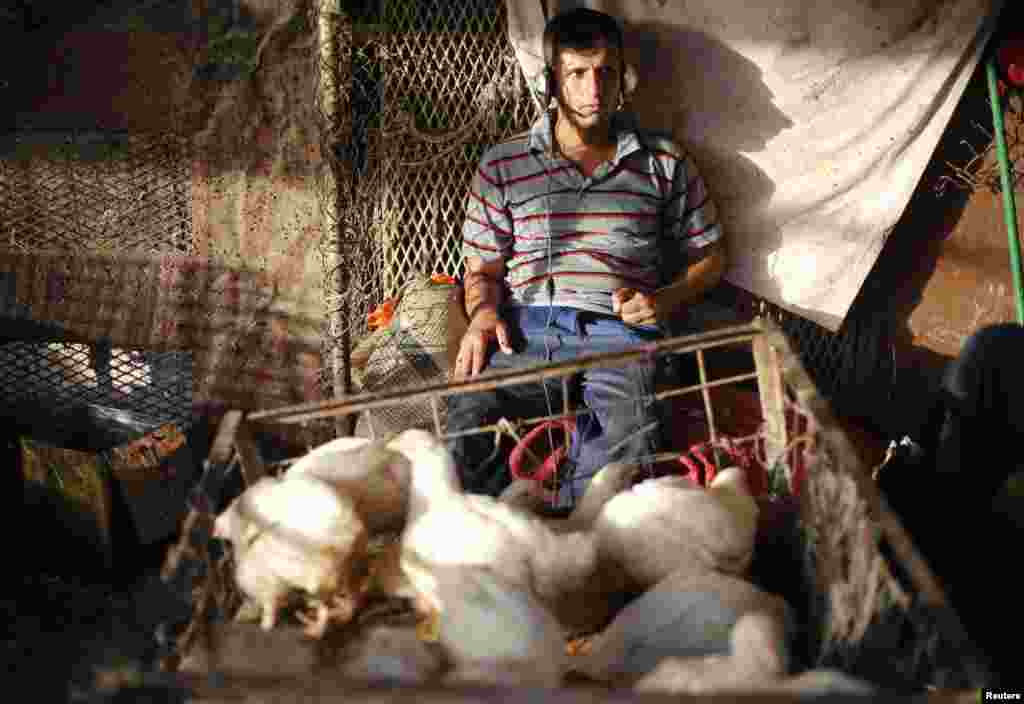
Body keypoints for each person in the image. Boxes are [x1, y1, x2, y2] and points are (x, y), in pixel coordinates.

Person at [447, 7, 727, 508]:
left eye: (606, 73)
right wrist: (483, 314)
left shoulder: (663, 161)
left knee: (621, 460)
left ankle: (581, 553)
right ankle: (487, 547)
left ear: (624, 80)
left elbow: (712, 258)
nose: (593, 88)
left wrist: (663, 299)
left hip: (620, 333)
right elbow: (483, 271)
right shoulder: (503, 164)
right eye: (577, 73)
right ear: (551, 82)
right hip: (525, 332)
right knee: (466, 426)